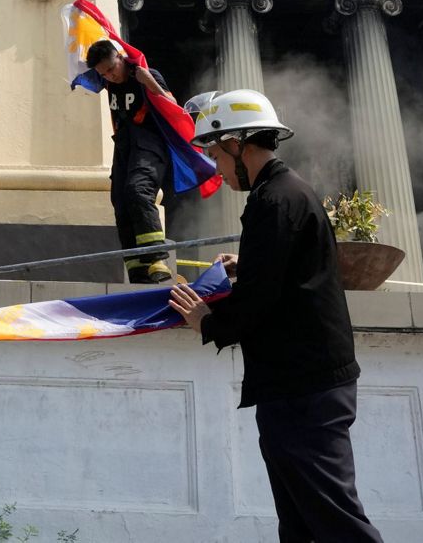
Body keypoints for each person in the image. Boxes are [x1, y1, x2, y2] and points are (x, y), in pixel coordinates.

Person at [168, 89, 383, 543]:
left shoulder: (273, 201)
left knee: (336, 522)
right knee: (302, 523)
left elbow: (262, 297)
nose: (216, 167)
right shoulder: (288, 192)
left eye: (215, 151)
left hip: (303, 388)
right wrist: (247, 265)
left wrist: (207, 321)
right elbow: (292, 273)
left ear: (237, 143)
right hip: (304, 382)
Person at [86, 38, 176, 283]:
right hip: (124, 145)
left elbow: (174, 107)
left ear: (120, 57)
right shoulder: (107, 81)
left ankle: (157, 258)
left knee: (138, 190)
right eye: (103, 73)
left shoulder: (145, 74)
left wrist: (150, 84)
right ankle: (136, 268)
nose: (110, 76)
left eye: (111, 68)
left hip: (149, 143)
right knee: (121, 201)